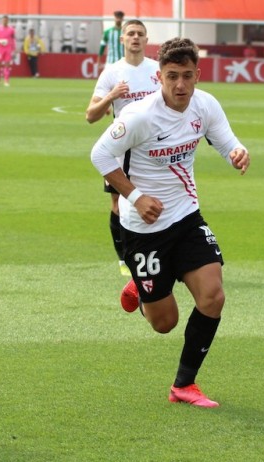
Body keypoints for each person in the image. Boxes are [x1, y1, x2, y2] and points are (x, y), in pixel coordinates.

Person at [90, 37, 250, 408]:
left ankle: (184, 385)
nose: (180, 85)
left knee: (213, 296)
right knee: (165, 323)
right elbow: (99, 154)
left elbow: (226, 142)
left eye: (188, 76)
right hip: (143, 227)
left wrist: (238, 153)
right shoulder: (140, 115)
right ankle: (141, 289)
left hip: (185, 215)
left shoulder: (205, 105)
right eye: (172, 76)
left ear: (198, 74)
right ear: (159, 76)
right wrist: (135, 196)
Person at [86, 19, 160, 277]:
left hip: (155, 147)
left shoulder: (158, 70)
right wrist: (111, 96)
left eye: (140, 33)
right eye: (131, 33)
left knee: (159, 198)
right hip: (122, 148)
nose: (135, 38)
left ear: (147, 40)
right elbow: (91, 115)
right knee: (119, 203)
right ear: (122, 39)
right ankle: (124, 259)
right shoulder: (112, 73)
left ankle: (160, 255)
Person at [0, 15, 16, 87]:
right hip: (0, 48)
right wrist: (0, 41)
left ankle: (6, 81)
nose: (5, 21)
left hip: (8, 49)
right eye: (4, 20)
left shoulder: (11, 29)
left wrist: (14, 49)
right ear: (2, 20)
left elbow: (13, 39)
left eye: (6, 20)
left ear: (8, 21)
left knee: (7, 64)